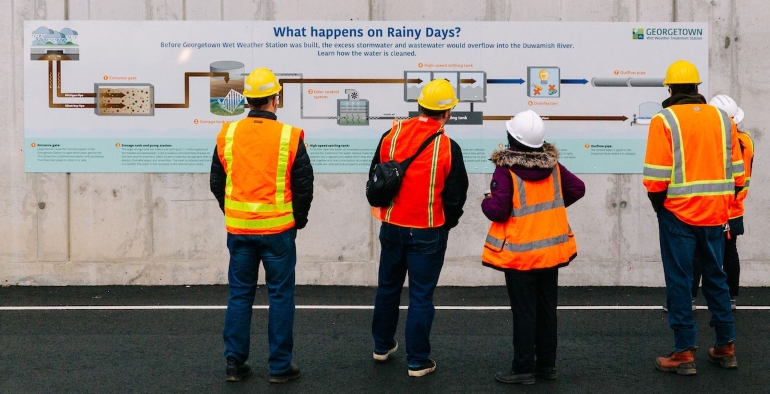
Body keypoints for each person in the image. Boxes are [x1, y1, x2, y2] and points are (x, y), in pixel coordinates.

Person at [209, 67, 313, 383]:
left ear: (247, 101)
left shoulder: (228, 134)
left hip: (240, 230)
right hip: (279, 231)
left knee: (240, 295)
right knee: (280, 296)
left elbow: (216, 180)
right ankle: (280, 367)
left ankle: (234, 365)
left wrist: (232, 213)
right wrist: (298, 220)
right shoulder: (288, 136)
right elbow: (304, 185)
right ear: (274, 99)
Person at [643, 60, 744, 375]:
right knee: (717, 278)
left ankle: (684, 353)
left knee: (681, 281)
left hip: (678, 214)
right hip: (716, 214)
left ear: (670, 89)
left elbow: (656, 178)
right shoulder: (721, 118)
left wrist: (661, 206)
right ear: (698, 88)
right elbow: (737, 173)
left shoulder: (665, 119)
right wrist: (724, 203)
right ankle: (725, 347)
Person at [369, 79, 468, 377]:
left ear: (420, 106)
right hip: (428, 231)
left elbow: (377, 175)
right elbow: (456, 195)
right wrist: (445, 224)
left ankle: (382, 346)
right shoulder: (448, 147)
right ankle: (417, 361)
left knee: (387, 288)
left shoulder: (392, 134)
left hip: (392, 226)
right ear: (447, 112)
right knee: (421, 296)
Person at [481, 110, 585, 385]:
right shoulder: (553, 167)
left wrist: (486, 202)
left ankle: (523, 368)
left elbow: (499, 210)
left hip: (519, 255)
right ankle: (547, 367)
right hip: (550, 251)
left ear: (511, 138)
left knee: (524, 313)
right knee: (547, 310)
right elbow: (578, 188)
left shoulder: (505, 171)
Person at [691, 95, 753, 311]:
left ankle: (689, 299)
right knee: (729, 251)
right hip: (735, 207)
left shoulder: (716, 141)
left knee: (698, 251)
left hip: (713, 206)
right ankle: (730, 298)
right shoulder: (747, 141)